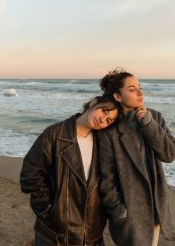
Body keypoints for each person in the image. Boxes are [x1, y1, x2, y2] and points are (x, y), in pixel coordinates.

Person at [20, 94, 122, 246]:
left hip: (91, 233)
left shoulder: (103, 143)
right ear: (93, 103)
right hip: (54, 234)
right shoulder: (55, 134)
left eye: (108, 120)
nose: (102, 119)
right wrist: (50, 212)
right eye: (103, 111)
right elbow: (30, 176)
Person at [98, 68, 175, 246]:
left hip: (156, 206)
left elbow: (169, 154)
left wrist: (148, 123)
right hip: (130, 212)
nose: (140, 93)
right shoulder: (109, 129)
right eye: (132, 89)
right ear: (118, 97)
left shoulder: (154, 117)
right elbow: (106, 177)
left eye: (140, 87)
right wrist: (119, 211)